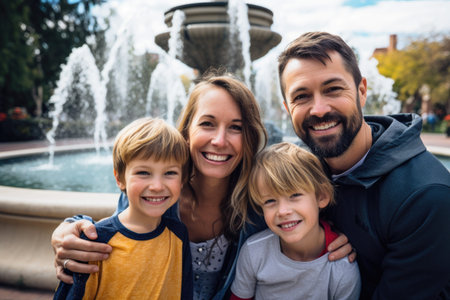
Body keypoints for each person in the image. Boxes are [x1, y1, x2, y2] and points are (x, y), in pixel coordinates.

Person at [51, 73, 354, 300]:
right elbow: (115, 232)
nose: (220, 141)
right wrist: (70, 228)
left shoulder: (260, 203)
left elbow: (304, 206)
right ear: (186, 131)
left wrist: (333, 237)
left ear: (249, 138)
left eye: (235, 127)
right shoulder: (159, 194)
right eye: (207, 124)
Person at [277, 31, 450, 299]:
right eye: (301, 96)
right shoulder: (295, 174)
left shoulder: (426, 197)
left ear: (361, 91)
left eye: (333, 89)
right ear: (288, 109)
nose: (319, 109)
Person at [53, 117, 193, 299]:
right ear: (119, 178)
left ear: (182, 180)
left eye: (170, 173)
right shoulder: (95, 243)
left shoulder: (179, 235)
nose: (157, 186)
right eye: (143, 172)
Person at [230, 142, 361, 300]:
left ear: (322, 196)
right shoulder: (254, 252)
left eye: (294, 196)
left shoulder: (342, 269)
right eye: (270, 201)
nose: (283, 211)